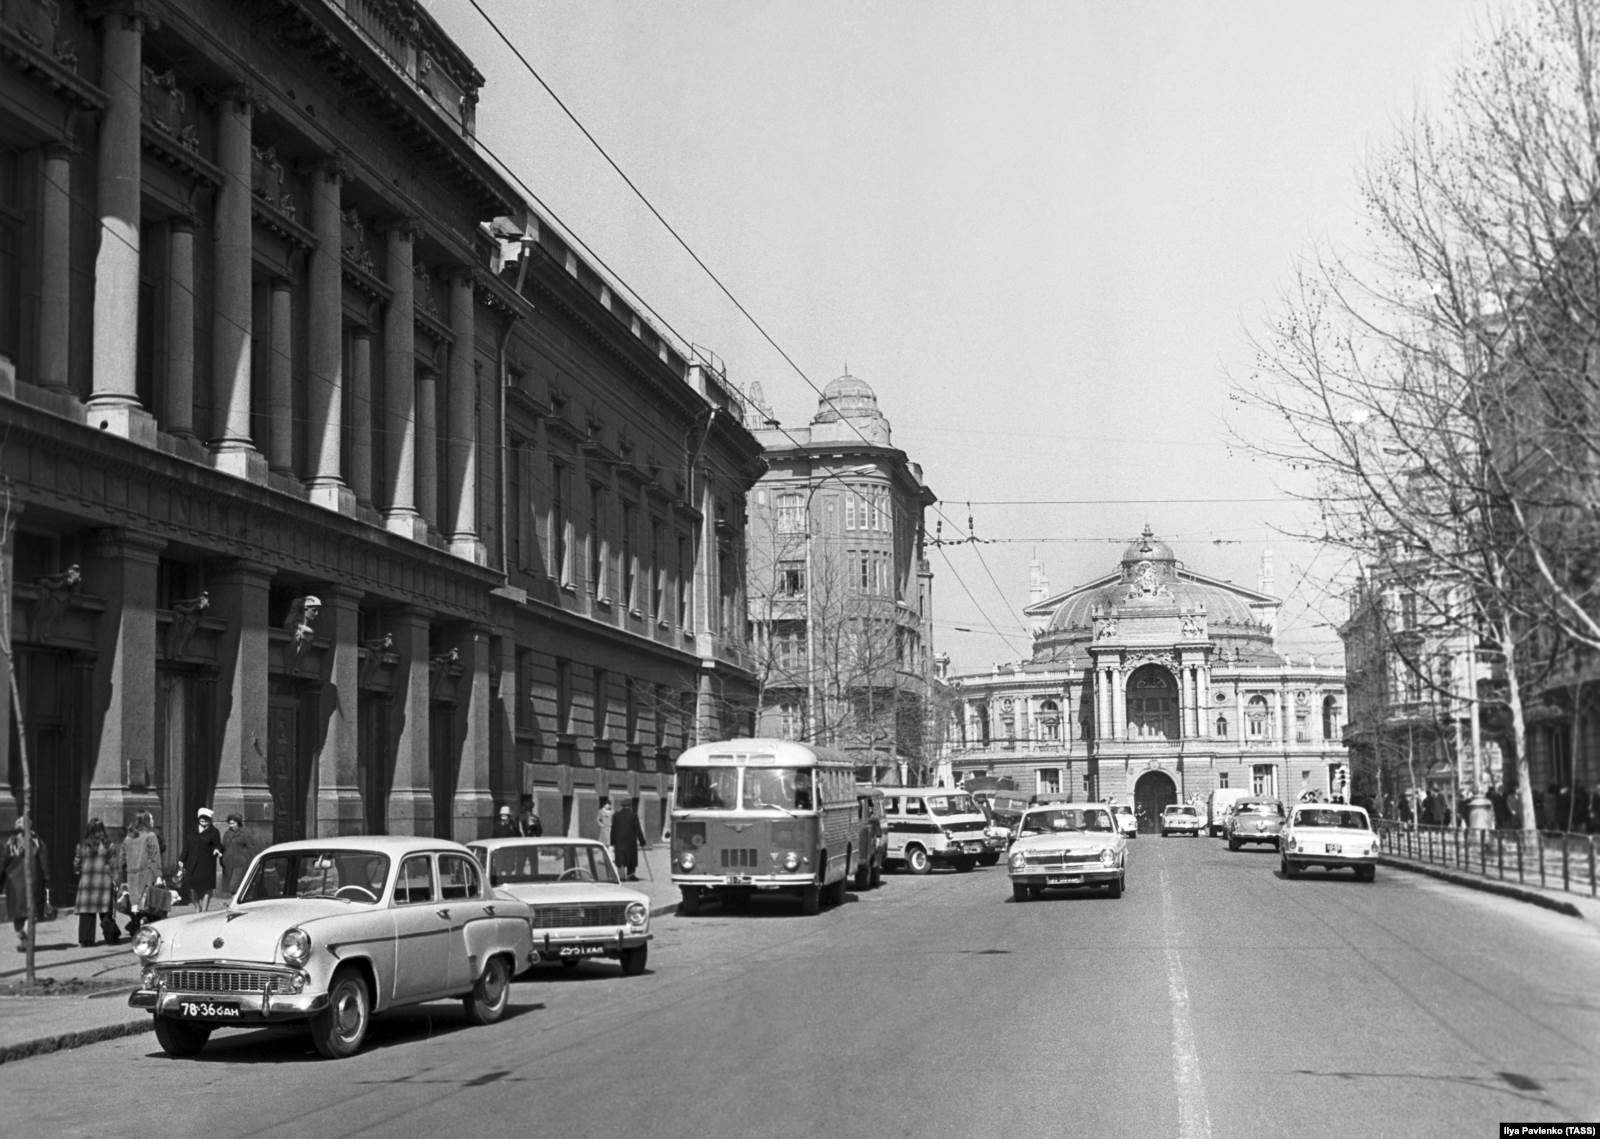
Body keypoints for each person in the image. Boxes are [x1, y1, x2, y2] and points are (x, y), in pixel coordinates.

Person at [2, 818, 50, 952]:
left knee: (17, 913)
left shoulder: (11, 842)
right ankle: (26, 934)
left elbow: (3, 863)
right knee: (31, 912)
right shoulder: (37, 841)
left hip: (14, 883)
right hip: (33, 880)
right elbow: (44, 861)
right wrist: (46, 878)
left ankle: (22, 936)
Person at [72, 818, 121, 947]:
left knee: (87, 911)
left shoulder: (82, 845)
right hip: (103, 881)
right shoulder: (108, 845)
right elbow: (114, 865)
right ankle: (111, 936)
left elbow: (77, 864)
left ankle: (86, 939)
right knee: (105, 911)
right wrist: (116, 880)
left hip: (87, 882)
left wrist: (80, 872)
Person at [121, 811, 163, 935]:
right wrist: (159, 875)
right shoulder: (150, 836)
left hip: (132, 874)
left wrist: (123, 870)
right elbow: (155, 856)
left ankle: (135, 929)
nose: (153, 821)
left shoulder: (128, 837)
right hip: (146, 873)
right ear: (145, 821)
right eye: (151, 819)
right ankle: (148, 929)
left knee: (135, 903)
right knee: (147, 902)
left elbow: (122, 857)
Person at [179, 807, 223, 911]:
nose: (203, 820)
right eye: (201, 818)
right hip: (192, 863)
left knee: (207, 888)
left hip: (207, 863)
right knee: (191, 887)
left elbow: (218, 845)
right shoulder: (193, 830)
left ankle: (204, 910)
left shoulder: (214, 831)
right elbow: (186, 846)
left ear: (210, 820)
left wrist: (216, 850)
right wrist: (181, 859)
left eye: (206, 818)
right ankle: (197, 907)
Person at [218, 812, 256, 906]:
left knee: (234, 885)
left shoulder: (245, 833)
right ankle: (237, 903)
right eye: (230, 823)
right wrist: (222, 858)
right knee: (231, 888)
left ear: (238, 823)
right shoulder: (227, 833)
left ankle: (236, 904)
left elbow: (251, 848)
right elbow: (223, 847)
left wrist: (252, 862)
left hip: (241, 863)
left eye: (233, 823)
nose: (231, 825)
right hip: (228, 863)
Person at [609, 799, 647, 881]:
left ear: (622, 805)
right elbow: (638, 829)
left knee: (621, 858)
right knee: (631, 857)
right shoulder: (633, 815)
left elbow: (613, 829)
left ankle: (621, 876)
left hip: (619, 841)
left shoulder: (616, 815)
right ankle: (631, 875)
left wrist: (612, 841)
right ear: (630, 805)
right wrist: (642, 841)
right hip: (630, 841)